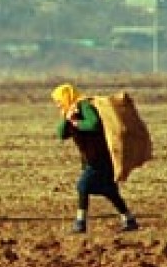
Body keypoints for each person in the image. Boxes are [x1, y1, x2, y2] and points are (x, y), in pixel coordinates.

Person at [51, 83, 138, 233]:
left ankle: (80, 223)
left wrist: (76, 122)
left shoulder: (85, 106)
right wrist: (68, 118)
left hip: (100, 157)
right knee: (109, 190)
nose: (57, 104)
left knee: (82, 186)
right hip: (90, 159)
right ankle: (129, 219)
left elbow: (93, 124)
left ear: (67, 96)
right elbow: (61, 134)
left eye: (59, 100)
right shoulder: (70, 111)